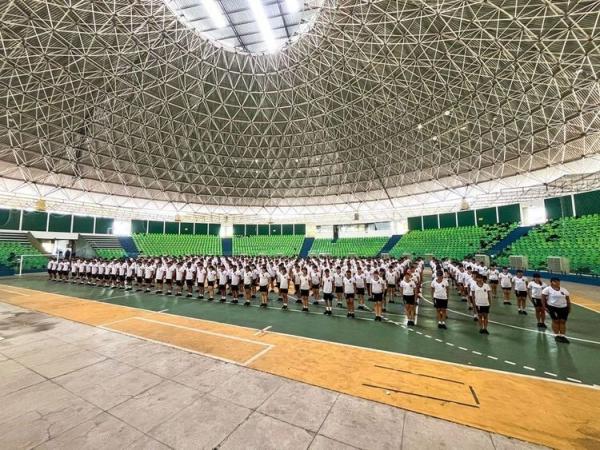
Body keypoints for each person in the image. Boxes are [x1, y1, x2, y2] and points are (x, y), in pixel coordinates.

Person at [542, 278, 571, 343]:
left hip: (564, 308)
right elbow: (543, 298)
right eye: (556, 282)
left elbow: (568, 299)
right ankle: (557, 335)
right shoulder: (547, 289)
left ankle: (562, 336)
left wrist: (569, 307)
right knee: (556, 321)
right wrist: (544, 307)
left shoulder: (564, 290)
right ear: (552, 282)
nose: (558, 283)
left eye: (558, 281)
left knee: (563, 321)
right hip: (553, 307)